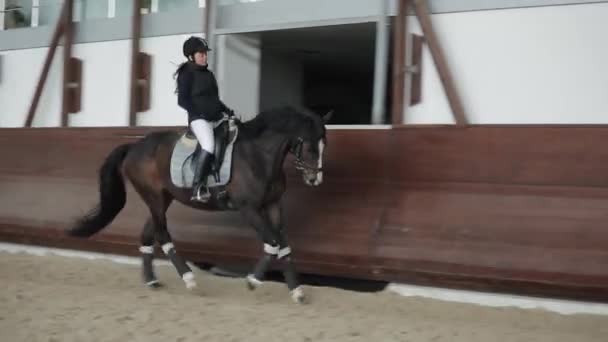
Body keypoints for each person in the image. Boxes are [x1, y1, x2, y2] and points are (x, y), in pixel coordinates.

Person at [174, 36, 234, 202]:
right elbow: (182, 100)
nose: (205, 56)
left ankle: (220, 182)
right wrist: (199, 113)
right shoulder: (186, 74)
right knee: (208, 145)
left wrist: (226, 110)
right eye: (201, 54)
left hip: (215, 117)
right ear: (191, 56)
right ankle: (197, 187)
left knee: (228, 140)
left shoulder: (209, 74)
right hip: (198, 119)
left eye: (205, 54)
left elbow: (214, 99)